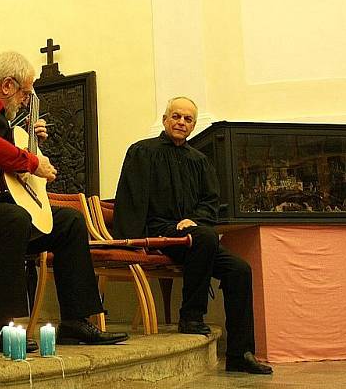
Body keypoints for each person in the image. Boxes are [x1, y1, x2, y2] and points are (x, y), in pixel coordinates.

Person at [0, 51, 128, 351]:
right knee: (12, 219)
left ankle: (75, 321)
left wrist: (26, 139)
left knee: (69, 222)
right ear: (7, 86)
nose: (25, 101)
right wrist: (32, 161)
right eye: (25, 93)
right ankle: (2, 328)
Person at [113, 96, 272, 374]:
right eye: (176, 116)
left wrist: (194, 220)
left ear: (193, 125)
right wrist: (136, 242)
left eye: (187, 119)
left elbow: (210, 200)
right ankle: (190, 316)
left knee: (239, 269)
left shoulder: (199, 161)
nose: (181, 122)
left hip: (192, 234)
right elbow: (131, 199)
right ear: (165, 120)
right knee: (205, 237)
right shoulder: (141, 151)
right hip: (158, 231)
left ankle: (239, 353)